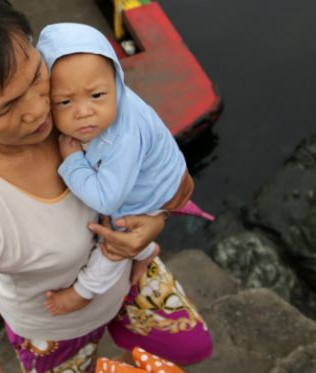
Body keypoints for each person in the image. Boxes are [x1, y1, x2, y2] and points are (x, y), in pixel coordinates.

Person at [0, 0, 212, 372]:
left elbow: (164, 170)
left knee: (191, 348)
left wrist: (154, 222)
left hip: (129, 274)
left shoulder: (74, 88)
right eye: (5, 109)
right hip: (55, 323)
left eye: (34, 77)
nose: (40, 109)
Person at [36, 23, 198, 316]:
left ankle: (85, 290)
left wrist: (72, 162)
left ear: (117, 82)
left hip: (154, 191)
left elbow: (106, 200)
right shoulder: (108, 111)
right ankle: (149, 252)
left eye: (97, 95)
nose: (83, 111)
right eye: (64, 101)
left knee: (112, 239)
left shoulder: (122, 135)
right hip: (153, 177)